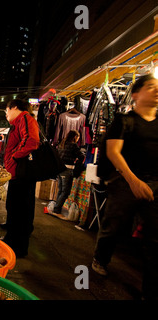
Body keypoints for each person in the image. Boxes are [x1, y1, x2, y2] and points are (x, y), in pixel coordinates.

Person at [91, 74, 158, 300]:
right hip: (125, 183)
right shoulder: (124, 120)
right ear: (137, 94)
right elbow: (113, 152)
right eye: (151, 87)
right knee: (113, 225)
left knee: (154, 238)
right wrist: (133, 180)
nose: (156, 91)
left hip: (153, 185)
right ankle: (101, 257)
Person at [0, 99, 41, 257]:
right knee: (14, 207)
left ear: (14, 107)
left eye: (7, 110)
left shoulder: (25, 118)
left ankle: (18, 247)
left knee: (21, 210)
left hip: (23, 175)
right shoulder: (18, 122)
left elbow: (32, 141)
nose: (6, 114)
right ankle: (11, 239)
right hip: (17, 174)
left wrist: (15, 157)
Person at [52, 130, 85, 219]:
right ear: (75, 137)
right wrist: (78, 163)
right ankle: (57, 209)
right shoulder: (73, 145)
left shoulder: (62, 143)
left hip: (59, 169)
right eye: (78, 137)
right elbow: (81, 156)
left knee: (61, 190)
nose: (78, 139)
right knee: (65, 191)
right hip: (67, 169)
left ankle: (56, 208)